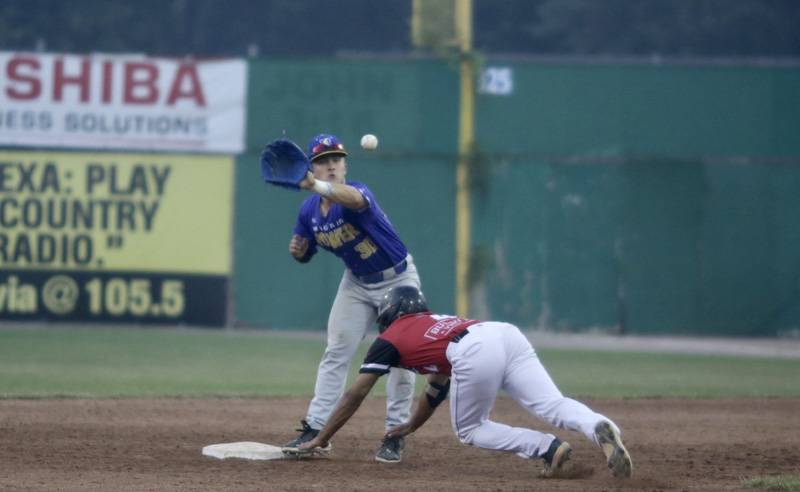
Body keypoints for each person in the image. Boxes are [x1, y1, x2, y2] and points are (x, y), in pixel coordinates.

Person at [291, 286, 634, 479]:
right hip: (502, 334)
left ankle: (547, 449)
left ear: (391, 315)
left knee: (470, 429)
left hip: (472, 350)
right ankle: (598, 426)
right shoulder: (433, 323)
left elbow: (356, 393)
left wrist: (321, 438)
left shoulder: (391, 338)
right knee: (551, 404)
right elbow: (436, 388)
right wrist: (411, 426)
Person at [282, 133, 421, 463]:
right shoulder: (309, 210)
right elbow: (305, 248)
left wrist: (316, 185)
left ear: (345, 166)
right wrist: (299, 252)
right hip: (356, 284)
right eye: (322, 161)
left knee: (403, 359)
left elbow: (354, 201)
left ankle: (394, 434)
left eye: (336, 159)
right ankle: (316, 429)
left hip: (397, 279)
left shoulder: (357, 192)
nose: (331, 165)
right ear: (311, 167)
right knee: (336, 352)